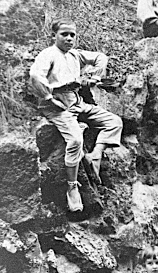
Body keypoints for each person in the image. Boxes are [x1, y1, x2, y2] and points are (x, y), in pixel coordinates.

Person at [29, 19, 123, 212]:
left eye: (72, 35)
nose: (69, 38)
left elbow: (100, 57)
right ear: (53, 36)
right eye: (64, 34)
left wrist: (94, 77)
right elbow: (35, 77)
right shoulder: (48, 55)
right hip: (58, 107)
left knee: (114, 122)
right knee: (75, 140)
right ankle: (72, 187)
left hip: (77, 102)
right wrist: (48, 96)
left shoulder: (74, 55)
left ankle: (95, 155)